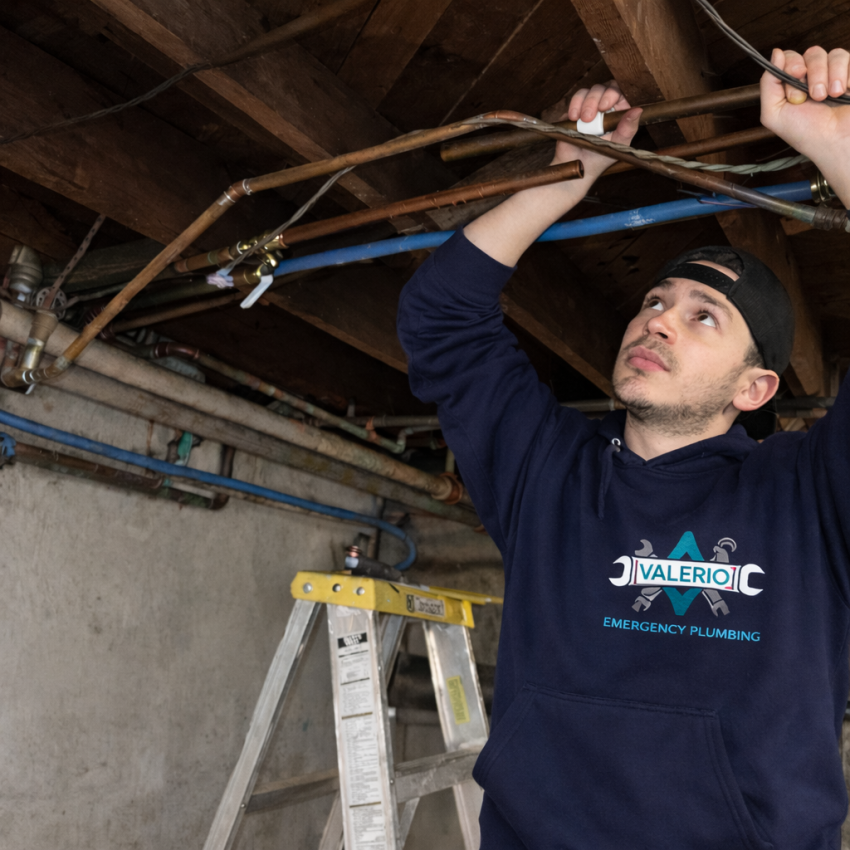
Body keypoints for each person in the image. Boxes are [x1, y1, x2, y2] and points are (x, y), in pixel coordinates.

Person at [397, 47, 850, 849]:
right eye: (655, 300)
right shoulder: (549, 473)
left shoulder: (809, 496)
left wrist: (832, 146)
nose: (658, 320)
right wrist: (570, 171)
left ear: (756, 390)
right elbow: (440, 317)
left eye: (705, 315)